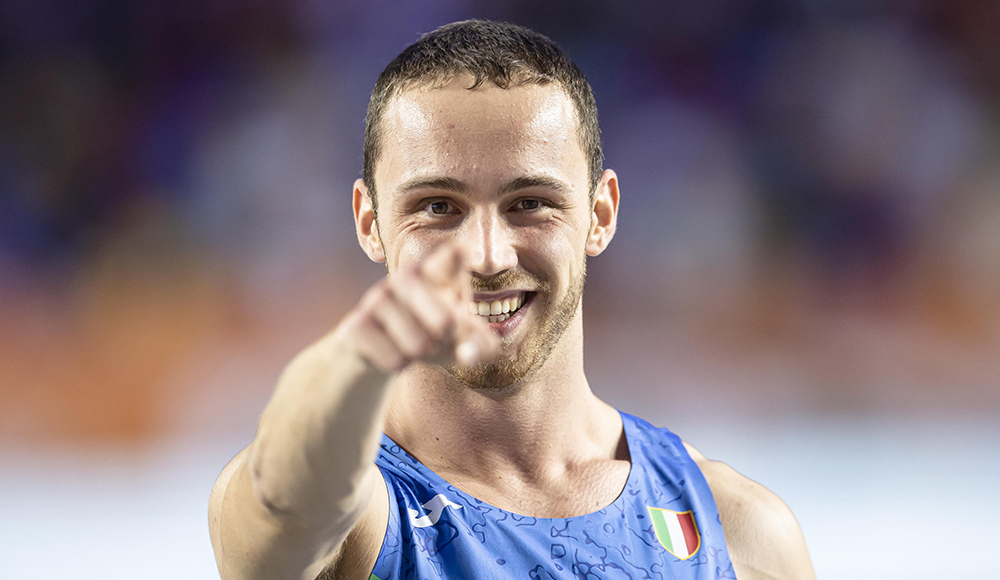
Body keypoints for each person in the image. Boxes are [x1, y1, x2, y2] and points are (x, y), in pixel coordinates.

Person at [208, 19, 815, 580]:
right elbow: (283, 509)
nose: (489, 256)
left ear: (600, 215)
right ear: (370, 222)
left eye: (530, 203)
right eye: (437, 207)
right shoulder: (360, 516)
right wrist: (357, 361)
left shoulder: (737, 534)